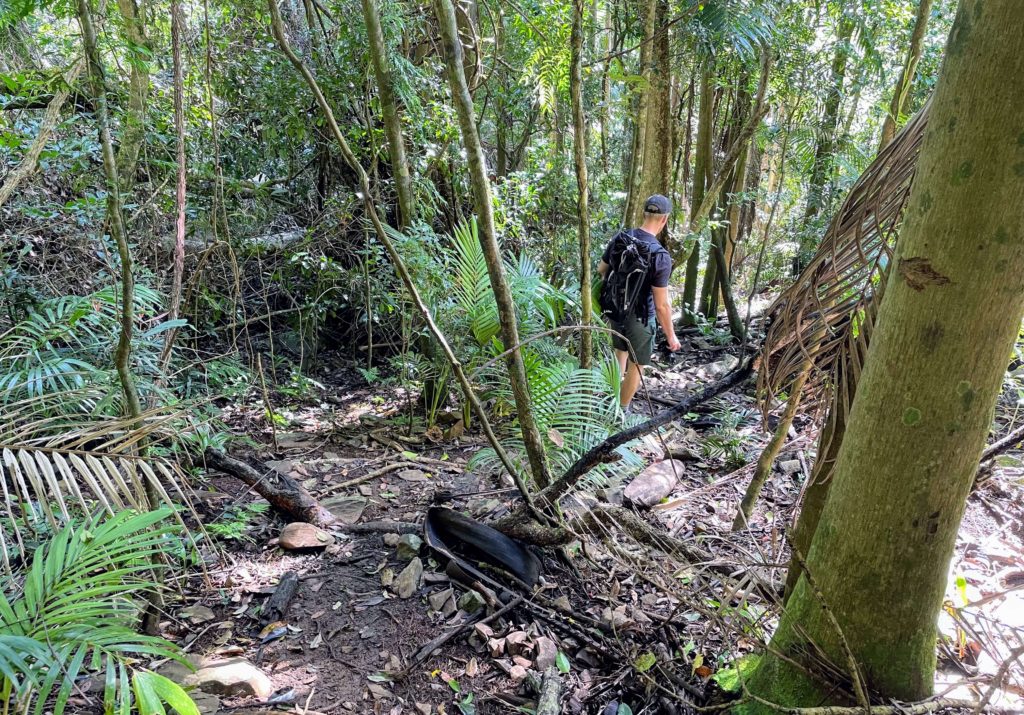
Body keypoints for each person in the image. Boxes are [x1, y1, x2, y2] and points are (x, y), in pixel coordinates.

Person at [597, 194, 681, 410]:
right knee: (637, 366)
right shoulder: (660, 256)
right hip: (641, 319)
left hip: (615, 311)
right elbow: (661, 305)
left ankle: (609, 404)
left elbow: (601, 270)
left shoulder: (621, 238)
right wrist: (671, 336)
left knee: (620, 354)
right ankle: (620, 412)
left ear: (645, 213)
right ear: (664, 219)